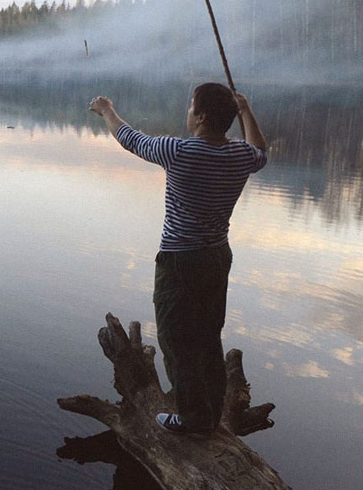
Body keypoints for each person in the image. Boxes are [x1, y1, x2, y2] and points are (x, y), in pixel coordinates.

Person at [89, 83, 267, 435]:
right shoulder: (240, 157)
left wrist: (106, 109)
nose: (187, 112)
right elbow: (260, 150)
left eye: (191, 107)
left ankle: (193, 420)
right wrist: (246, 110)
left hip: (180, 262)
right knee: (207, 336)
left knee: (177, 341)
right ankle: (211, 414)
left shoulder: (179, 152)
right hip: (217, 258)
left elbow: (130, 138)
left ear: (201, 116)